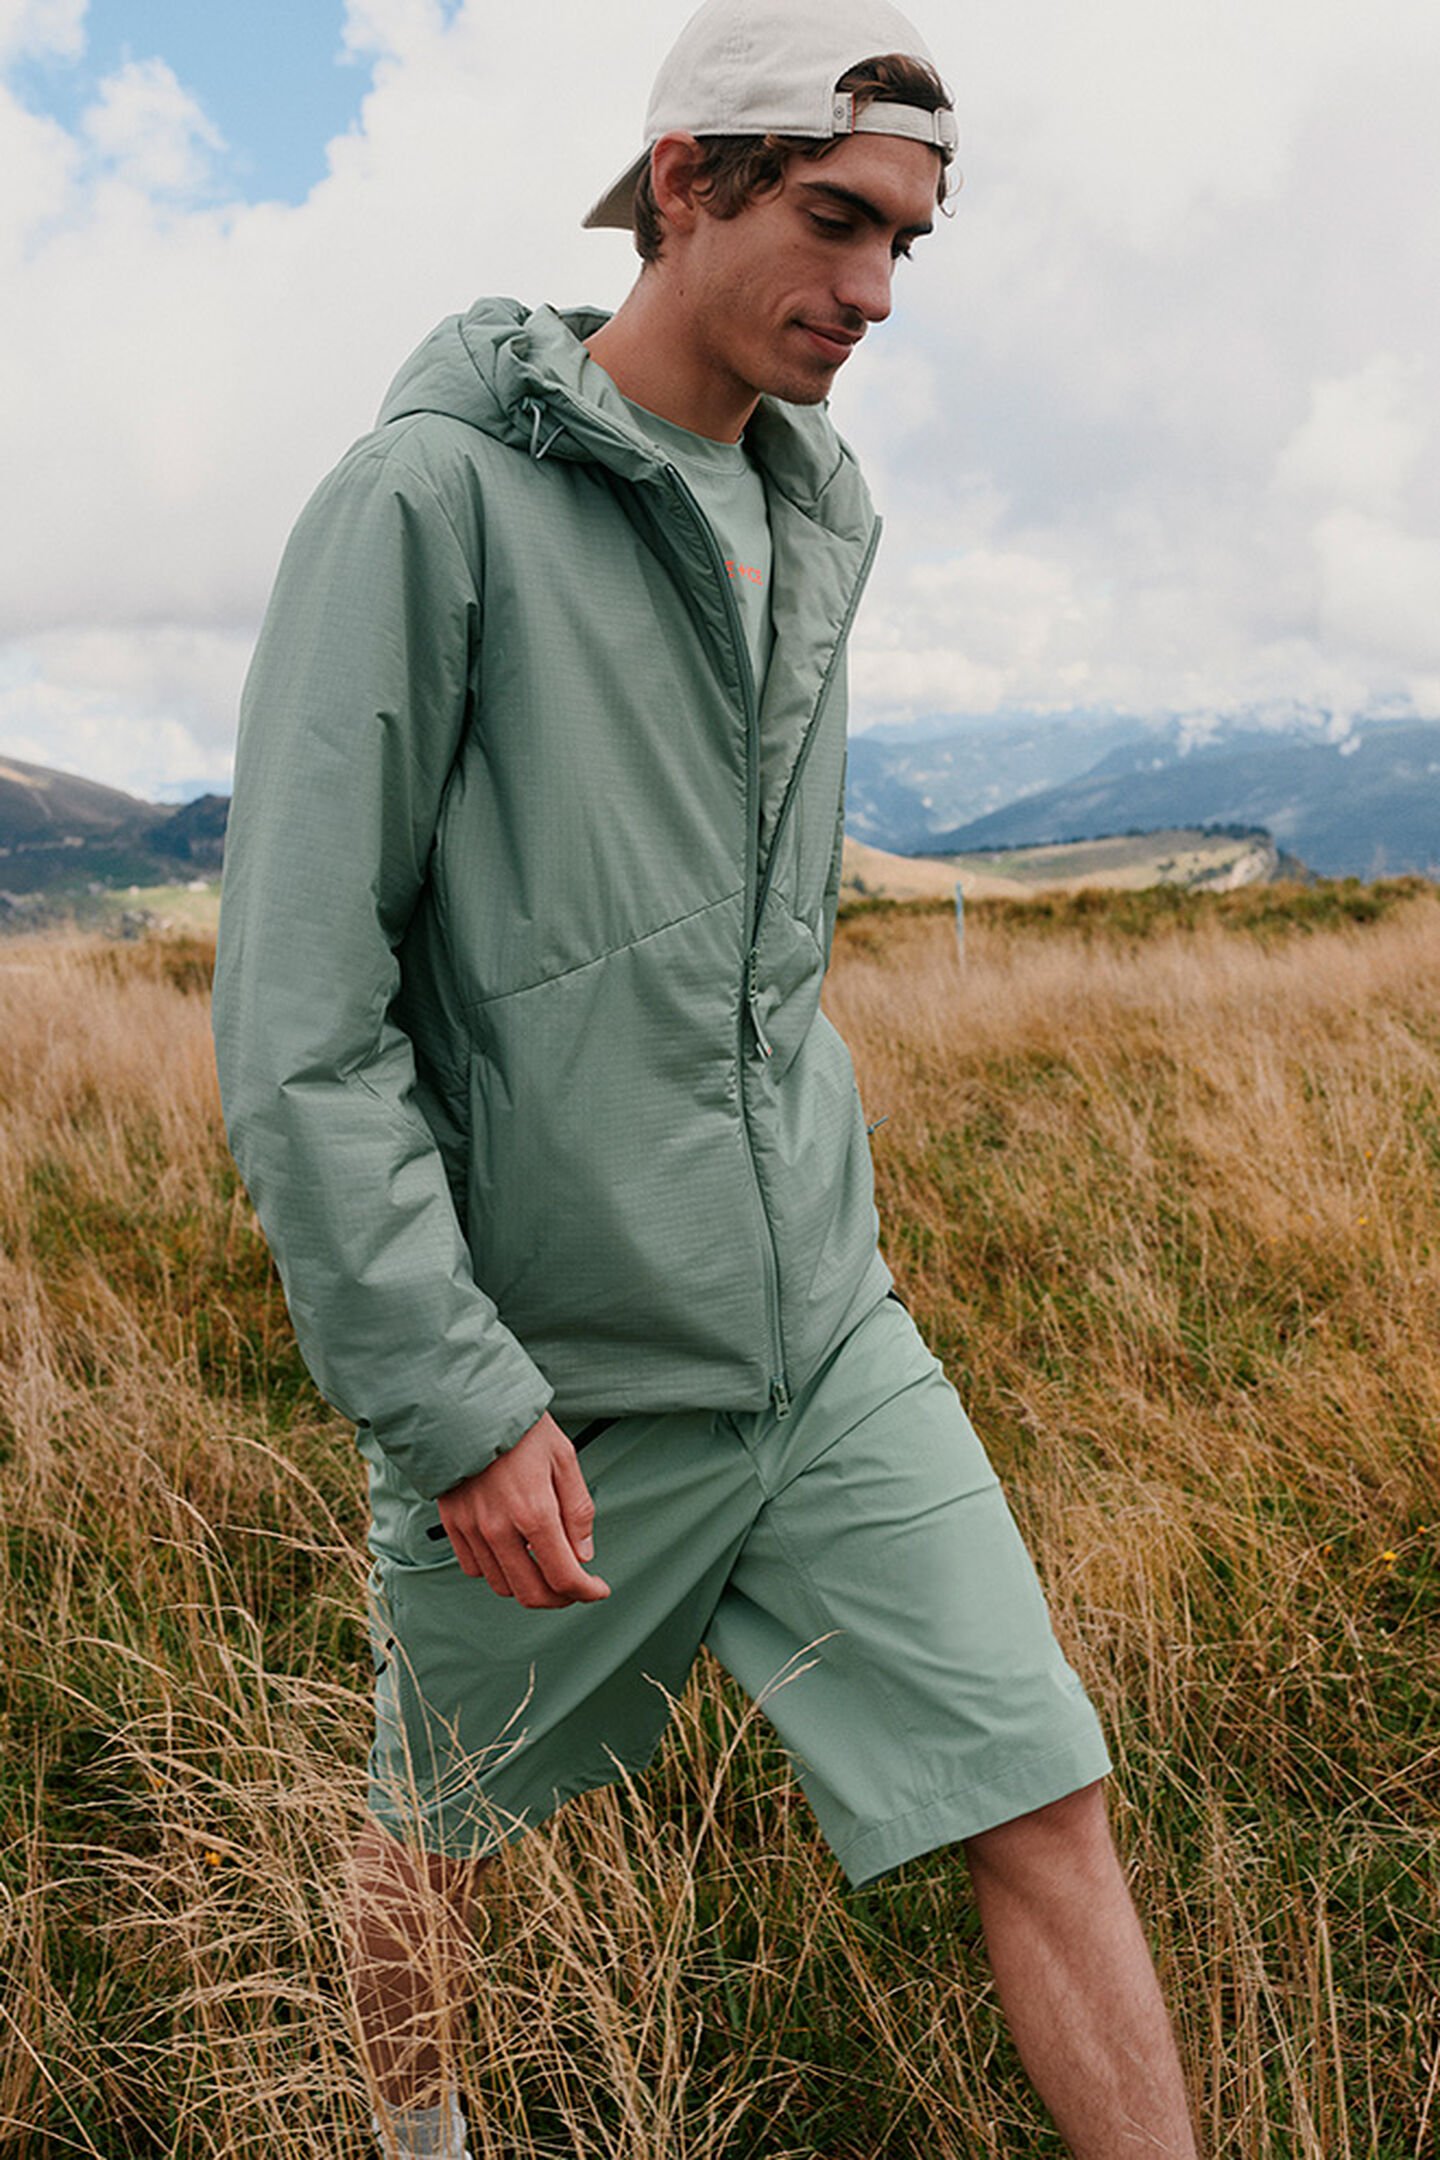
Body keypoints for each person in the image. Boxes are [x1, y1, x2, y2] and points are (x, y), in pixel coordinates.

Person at [212, 3, 1201, 2155]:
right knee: (437, 1841)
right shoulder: (427, 502)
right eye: (836, 221)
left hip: (820, 1337)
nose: (867, 291)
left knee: (1044, 1786)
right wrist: (457, 1396)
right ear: (686, 183)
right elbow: (300, 1014)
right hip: (544, 1373)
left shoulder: (811, 510)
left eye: (903, 248)